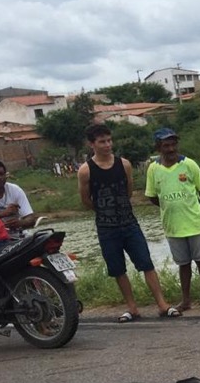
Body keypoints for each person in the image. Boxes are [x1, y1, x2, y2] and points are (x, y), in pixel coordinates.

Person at [78, 124, 182, 322]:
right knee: (118, 269)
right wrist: (104, 211)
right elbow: (85, 199)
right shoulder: (85, 171)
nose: (107, 145)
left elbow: (128, 190)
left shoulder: (124, 164)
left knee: (146, 263)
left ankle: (162, 304)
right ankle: (132, 308)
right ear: (92, 144)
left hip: (129, 223)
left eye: (109, 140)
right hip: (106, 227)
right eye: (102, 142)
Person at [145, 128, 200, 311]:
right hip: (172, 226)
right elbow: (152, 196)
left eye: (174, 144)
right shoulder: (153, 169)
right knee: (183, 264)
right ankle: (186, 300)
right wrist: (170, 207)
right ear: (159, 147)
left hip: (195, 223)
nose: (171, 149)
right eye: (166, 145)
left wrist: (193, 208)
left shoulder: (189, 164)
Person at [0, 158, 37, 238]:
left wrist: (20, 223)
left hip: (18, 238)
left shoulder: (15, 189)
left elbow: (30, 218)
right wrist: (4, 213)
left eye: (1, 174)